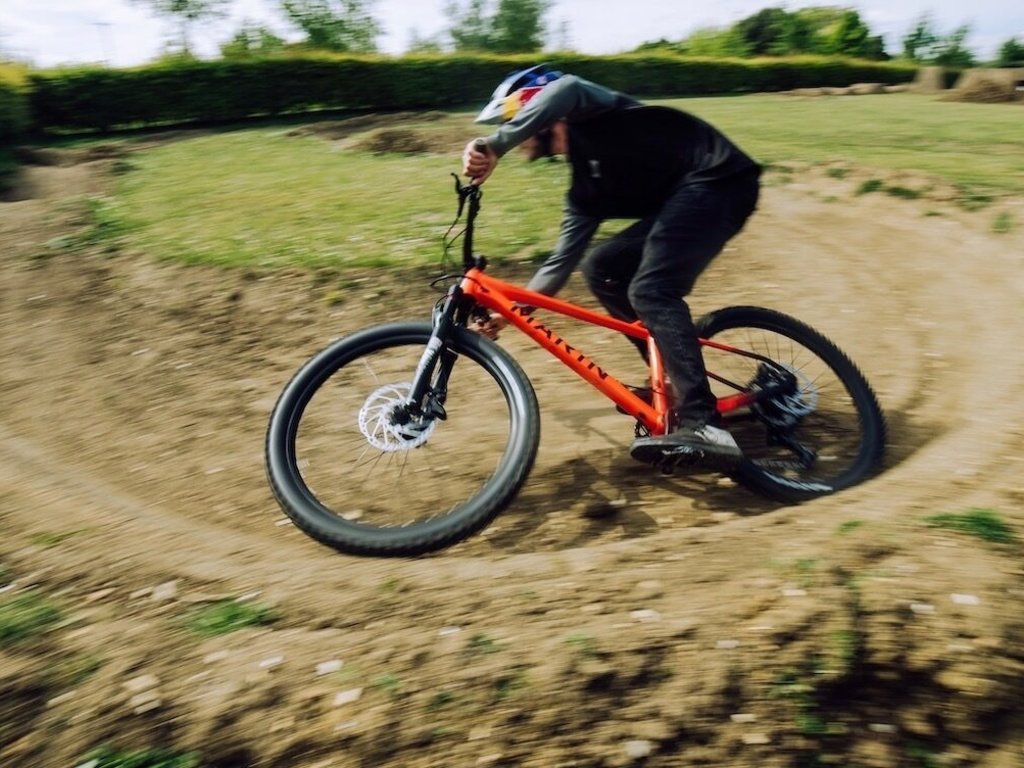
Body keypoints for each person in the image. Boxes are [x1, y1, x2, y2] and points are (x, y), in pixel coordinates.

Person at [462, 64, 761, 469]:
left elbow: (566, 87)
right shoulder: (585, 193)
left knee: (651, 290)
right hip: (685, 201)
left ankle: (704, 423)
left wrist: (497, 143)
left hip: (720, 179)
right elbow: (557, 266)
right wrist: (508, 316)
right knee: (600, 267)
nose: (517, 129)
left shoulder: (593, 112)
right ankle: (673, 380)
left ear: (537, 109)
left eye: (515, 118)